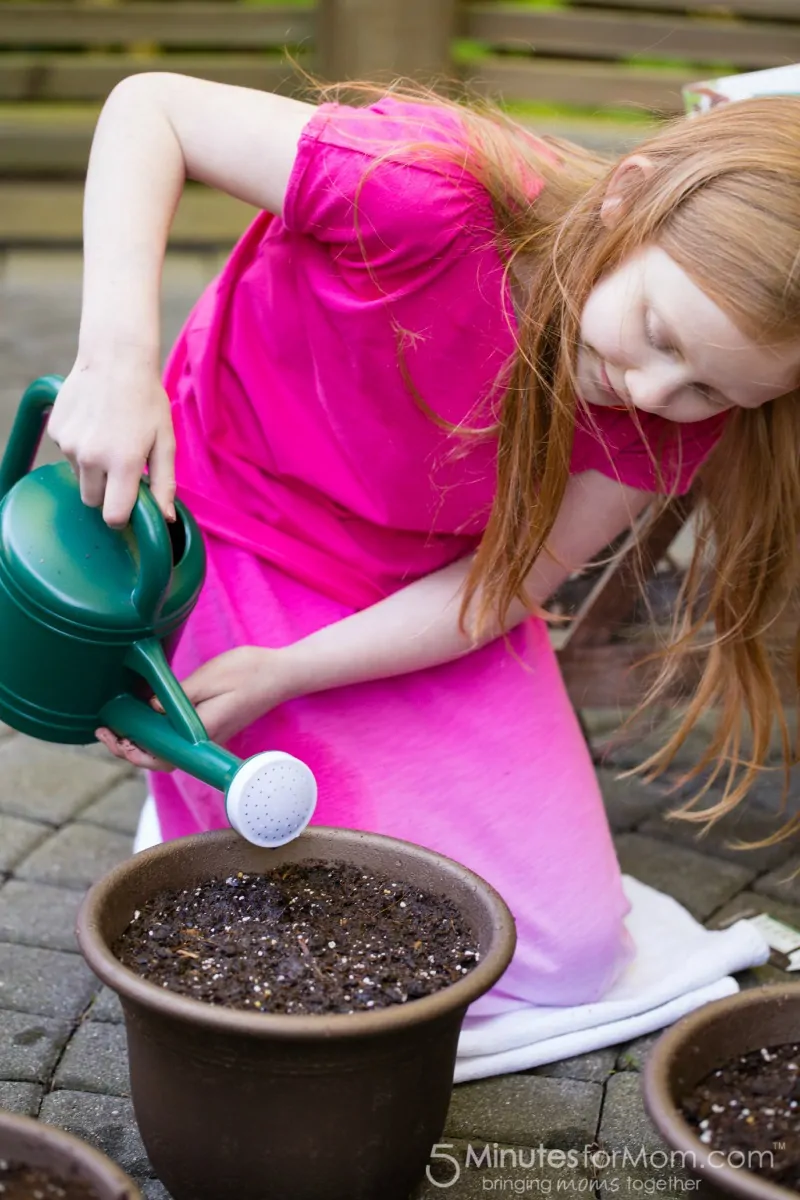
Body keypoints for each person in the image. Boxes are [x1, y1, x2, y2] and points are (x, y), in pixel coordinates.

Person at [47, 74, 800, 1014]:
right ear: (628, 198)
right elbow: (148, 109)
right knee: (297, 921)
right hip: (236, 522)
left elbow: (499, 588)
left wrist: (290, 672)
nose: (655, 396)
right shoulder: (425, 198)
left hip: (422, 595)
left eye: (713, 392)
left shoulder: (668, 412)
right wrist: (116, 358)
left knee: (565, 955)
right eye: (657, 334)